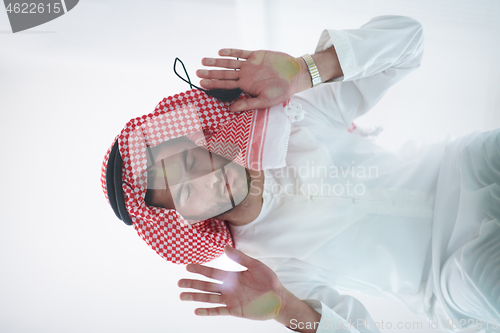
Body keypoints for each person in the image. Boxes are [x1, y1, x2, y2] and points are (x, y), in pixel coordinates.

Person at [101, 15, 500, 333]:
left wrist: (307, 70)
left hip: (467, 166)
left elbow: (409, 40)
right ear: (193, 223)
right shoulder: (272, 267)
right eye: (186, 195)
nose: (204, 180)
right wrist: (285, 308)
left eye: (189, 163)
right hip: (453, 274)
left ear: (206, 143)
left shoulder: (295, 116)